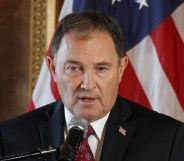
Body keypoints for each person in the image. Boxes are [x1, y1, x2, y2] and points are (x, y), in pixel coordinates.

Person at [0, 11, 184, 161]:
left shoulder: (168, 139)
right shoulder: (9, 137)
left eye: (101, 68)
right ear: (53, 69)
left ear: (121, 69)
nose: (87, 84)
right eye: (73, 68)